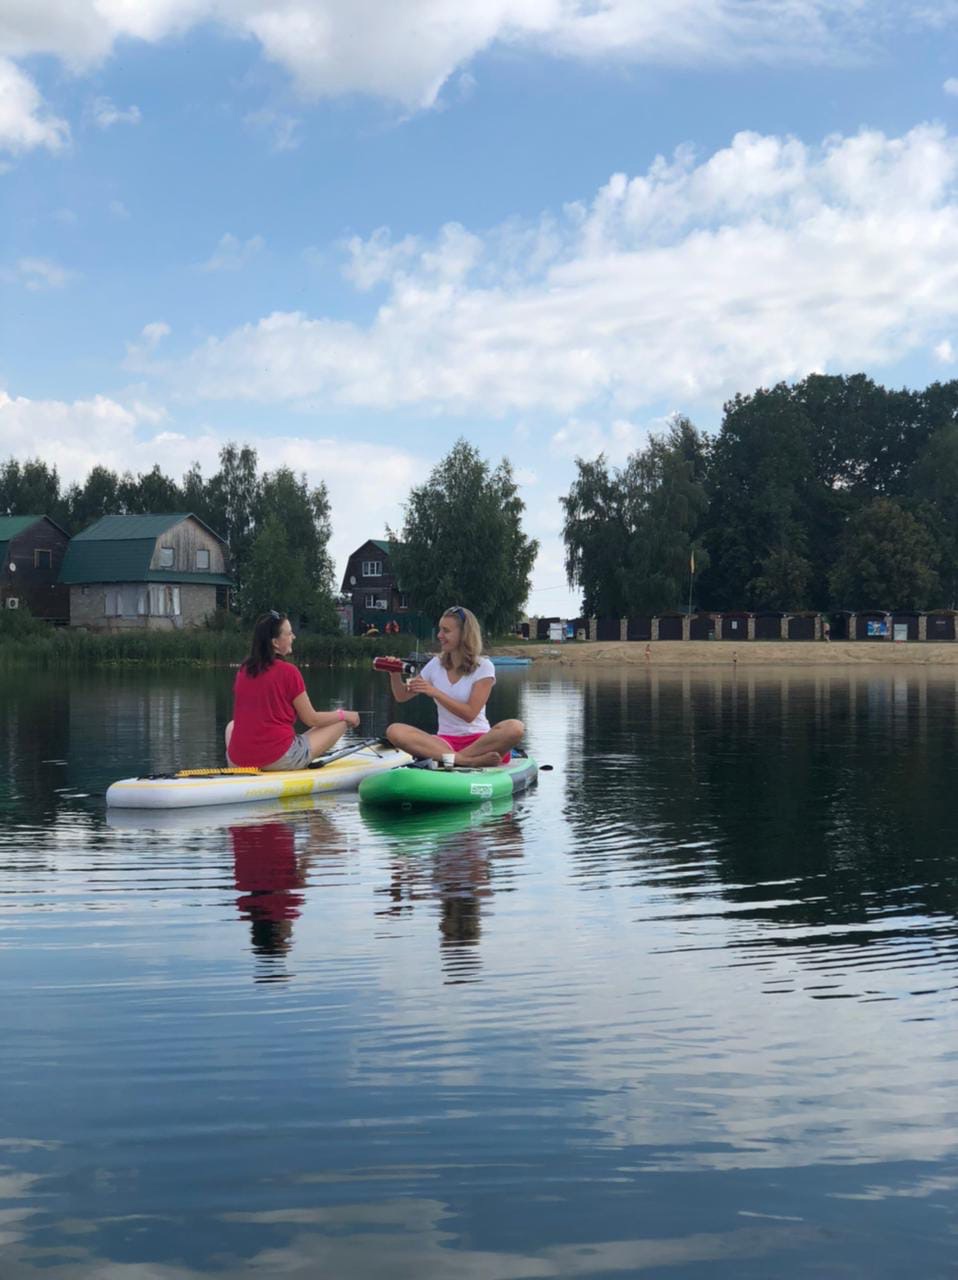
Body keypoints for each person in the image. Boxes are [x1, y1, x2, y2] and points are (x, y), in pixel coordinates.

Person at [379, 605, 524, 767]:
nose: (440, 636)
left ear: (464, 634)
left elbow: (469, 714)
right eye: (440, 630)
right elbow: (402, 696)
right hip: (445, 743)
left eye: (446, 631)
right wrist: (395, 673)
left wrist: (435, 692)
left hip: (480, 741)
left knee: (515, 727)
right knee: (394, 730)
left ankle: (453, 758)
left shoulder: (484, 667)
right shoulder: (435, 664)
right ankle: (465, 760)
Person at [225, 610, 360, 770]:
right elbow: (312, 719)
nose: (293, 637)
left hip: (238, 760)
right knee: (342, 722)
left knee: (232, 725)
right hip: (278, 758)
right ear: (275, 642)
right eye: (289, 634)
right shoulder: (289, 671)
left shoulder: (244, 669)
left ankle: (248, 760)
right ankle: (277, 762)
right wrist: (344, 714)